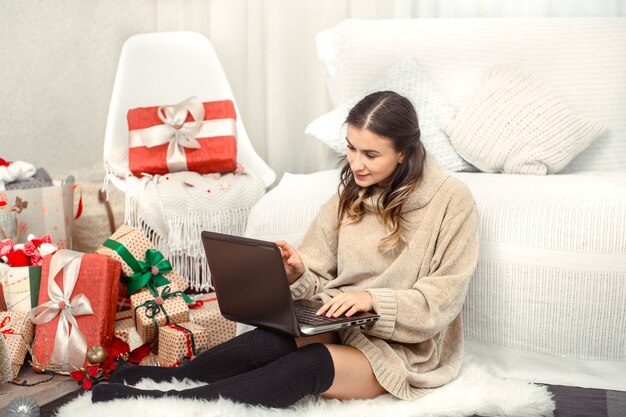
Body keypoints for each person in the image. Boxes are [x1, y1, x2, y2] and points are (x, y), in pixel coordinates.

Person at [92, 91, 479, 407]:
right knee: (269, 340)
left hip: (407, 350)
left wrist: (370, 299)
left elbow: (441, 301)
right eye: (351, 148)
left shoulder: (451, 201)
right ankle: (161, 378)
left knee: (306, 366)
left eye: (370, 155)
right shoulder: (352, 193)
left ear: (405, 154)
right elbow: (318, 271)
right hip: (342, 324)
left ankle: (166, 403)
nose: (356, 164)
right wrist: (296, 270)